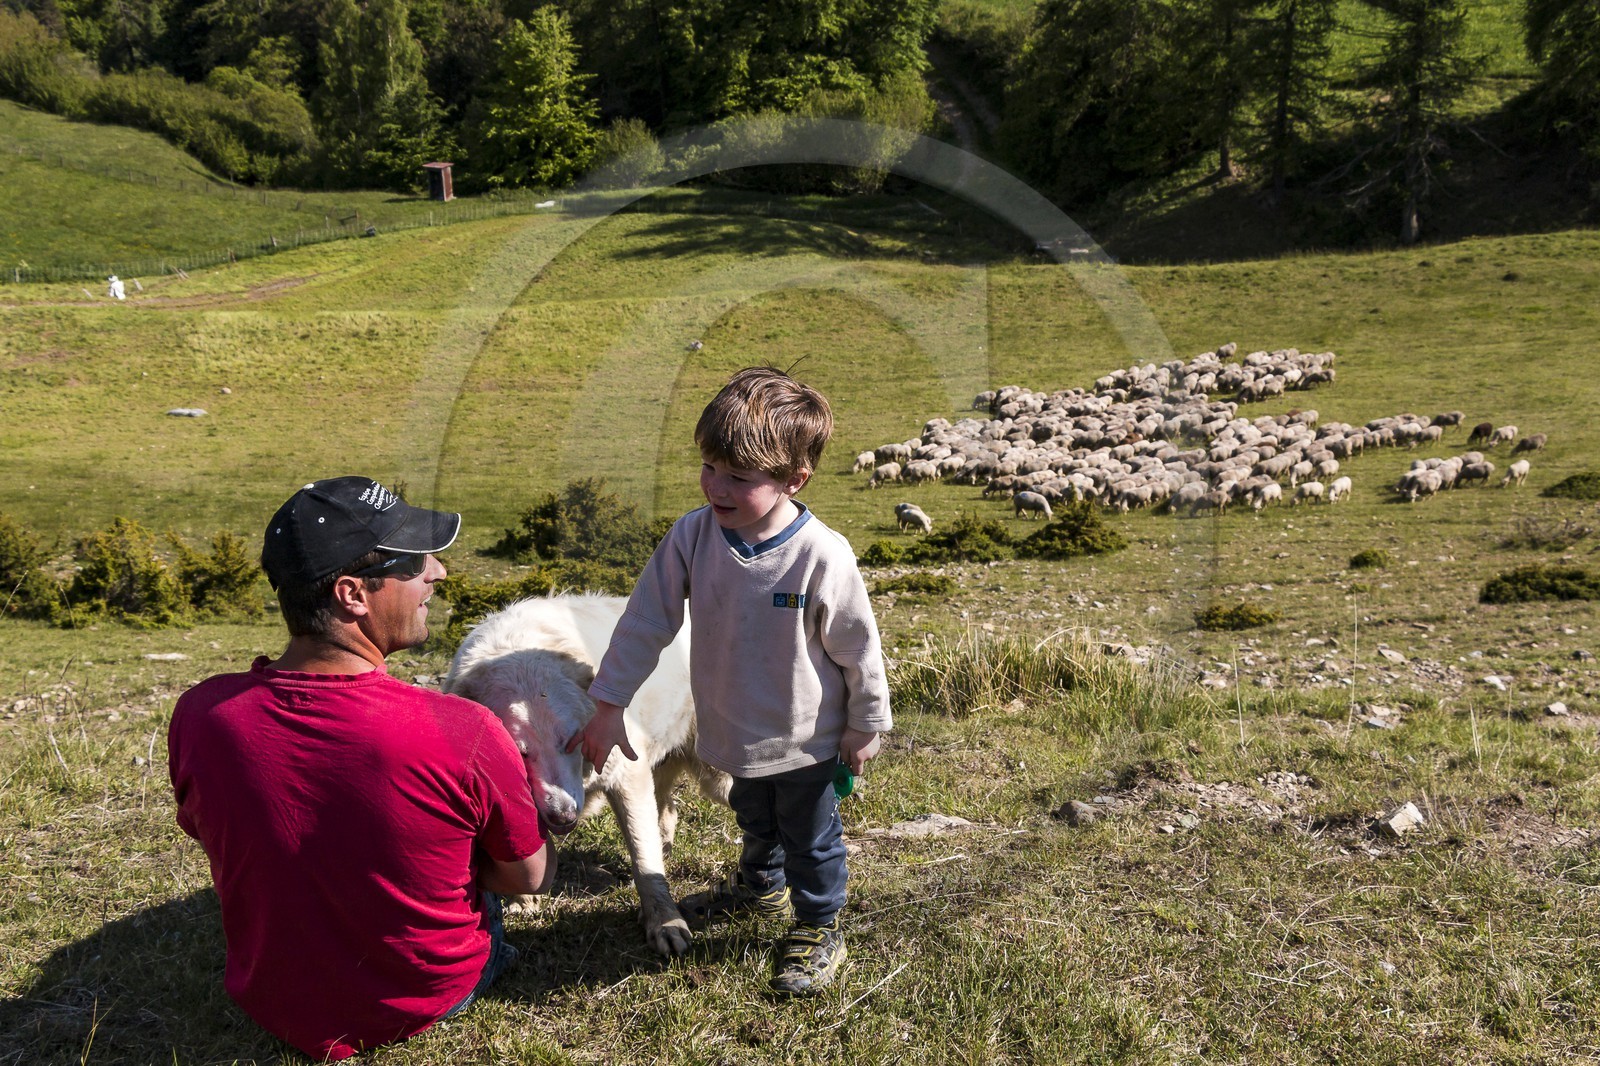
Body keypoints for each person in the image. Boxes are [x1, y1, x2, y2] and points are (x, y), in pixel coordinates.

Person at [168, 476, 553, 1061]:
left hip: (273, 1000)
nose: (437, 574)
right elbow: (528, 877)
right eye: (414, 563)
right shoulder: (463, 730)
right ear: (352, 594)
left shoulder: (201, 714)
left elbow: (211, 831)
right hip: (427, 999)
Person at [571, 366, 891, 995]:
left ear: (794, 479)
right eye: (709, 467)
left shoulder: (821, 555)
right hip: (729, 728)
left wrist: (865, 722)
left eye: (738, 478)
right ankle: (761, 886)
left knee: (811, 835)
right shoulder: (693, 536)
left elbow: (858, 647)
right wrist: (607, 705)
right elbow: (643, 623)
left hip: (806, 738)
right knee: (753, 813)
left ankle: (818, 922)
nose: (715, 487)